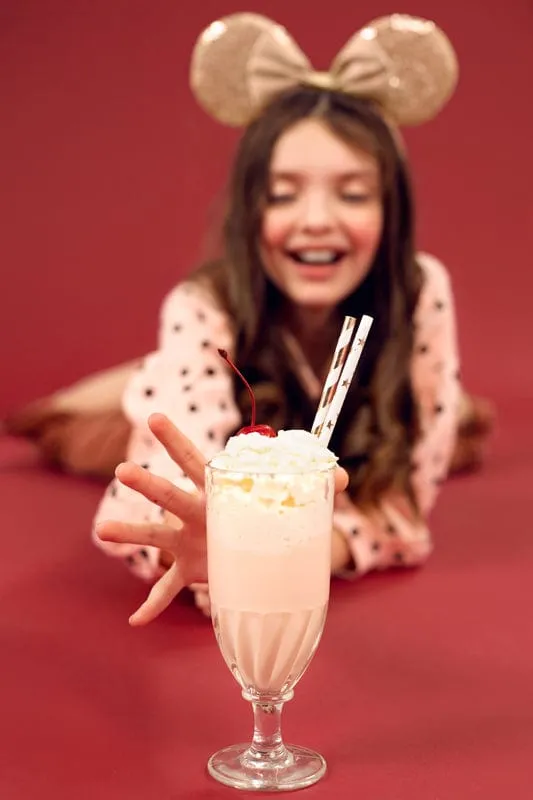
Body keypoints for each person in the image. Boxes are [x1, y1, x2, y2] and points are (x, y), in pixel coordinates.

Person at [5, 13, 494, 621]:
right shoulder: (203, 307)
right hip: (205, 384)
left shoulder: (420, 293)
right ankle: (95, 394)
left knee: (467, 431)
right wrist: (208, 546)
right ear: (249, 211)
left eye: (353, 192)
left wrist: (298, 549)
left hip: (353, 421)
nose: (316, 219)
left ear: (392, 213)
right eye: (284, 193)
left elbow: (402, 514)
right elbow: (163, 503)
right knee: (83, 433)